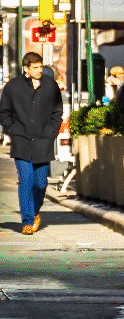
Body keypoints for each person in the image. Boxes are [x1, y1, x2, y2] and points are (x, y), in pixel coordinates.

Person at [0, 53, 63, 234]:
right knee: (26, 180)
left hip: (43, 141)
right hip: (21, 141)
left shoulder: (50, 85)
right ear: (26, 69)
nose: (39, 70)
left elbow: (57, 110)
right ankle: (27, 221)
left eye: (40, 66)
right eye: (35, 67)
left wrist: (52, 131)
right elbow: (4, 112)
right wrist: (12, 131)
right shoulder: (13, 87)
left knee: (41, 184)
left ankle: (35, 211)